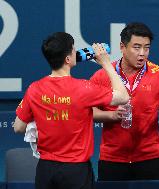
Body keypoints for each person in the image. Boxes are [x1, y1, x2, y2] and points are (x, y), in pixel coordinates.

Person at [13, 32, 129, 189]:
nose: (77, 52)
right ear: (68, 59)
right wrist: (106, 63)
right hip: (76, 172)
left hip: (45, 170)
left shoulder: (34, 89)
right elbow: (123, 96)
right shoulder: (83, 88)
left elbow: (18, 127)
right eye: (74, 50)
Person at [90, 22, 159, 181]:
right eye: (136, 47)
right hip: (112, 159)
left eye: (146, 48)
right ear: (122, 47)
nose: (142, 53)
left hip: (149, 159)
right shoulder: (102, 76)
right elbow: (89, 111)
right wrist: (112, 116)